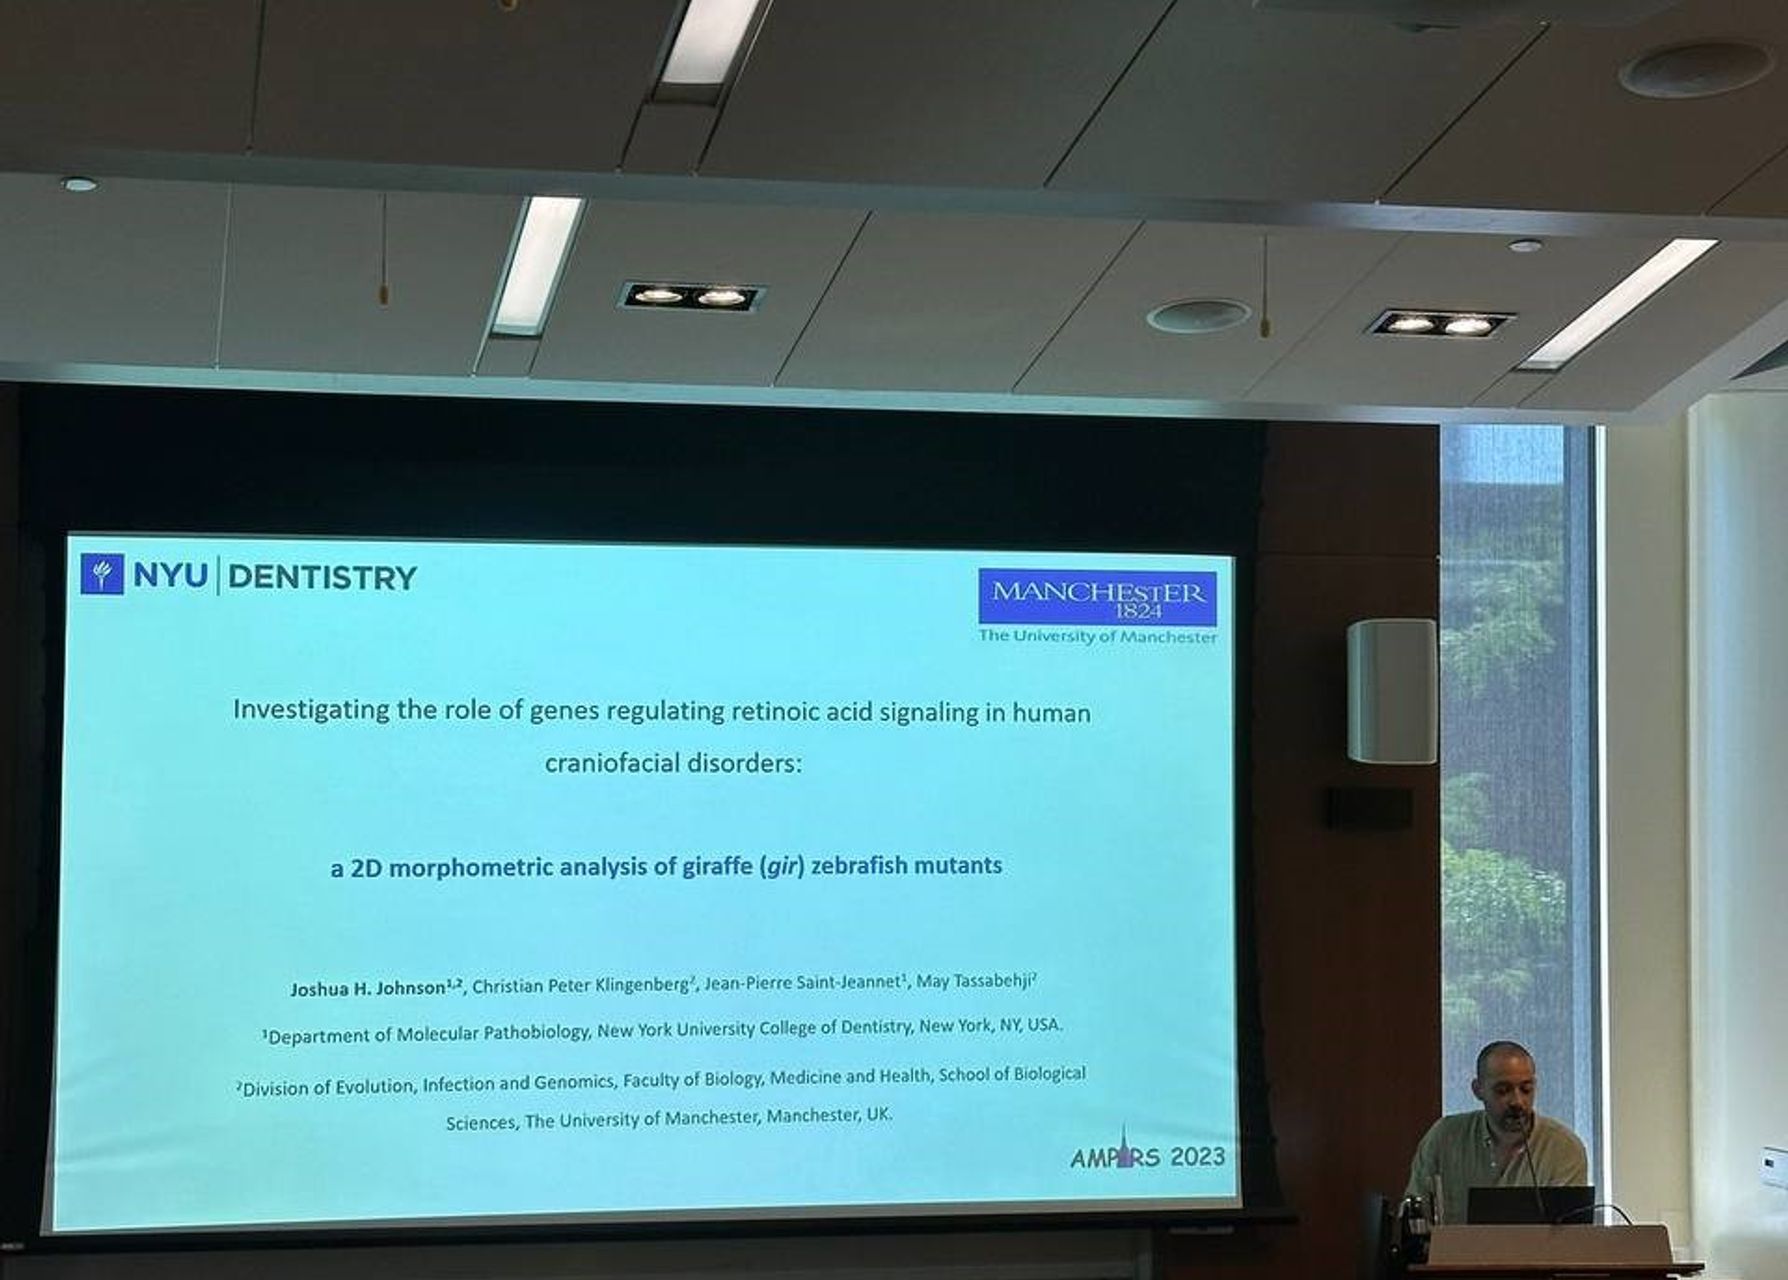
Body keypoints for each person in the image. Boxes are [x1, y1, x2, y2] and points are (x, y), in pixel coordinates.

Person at [1405, 1040, 1589, 1226]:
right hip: (1458, 1247)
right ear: (1478, 1090)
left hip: (1536, 1247)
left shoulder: (1563, 1148)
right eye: (1503, 1091)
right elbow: (1414, 1217)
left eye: (1526, 1089)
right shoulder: (1444, 1138)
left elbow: (1569, 1234)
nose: (1517, 1101)